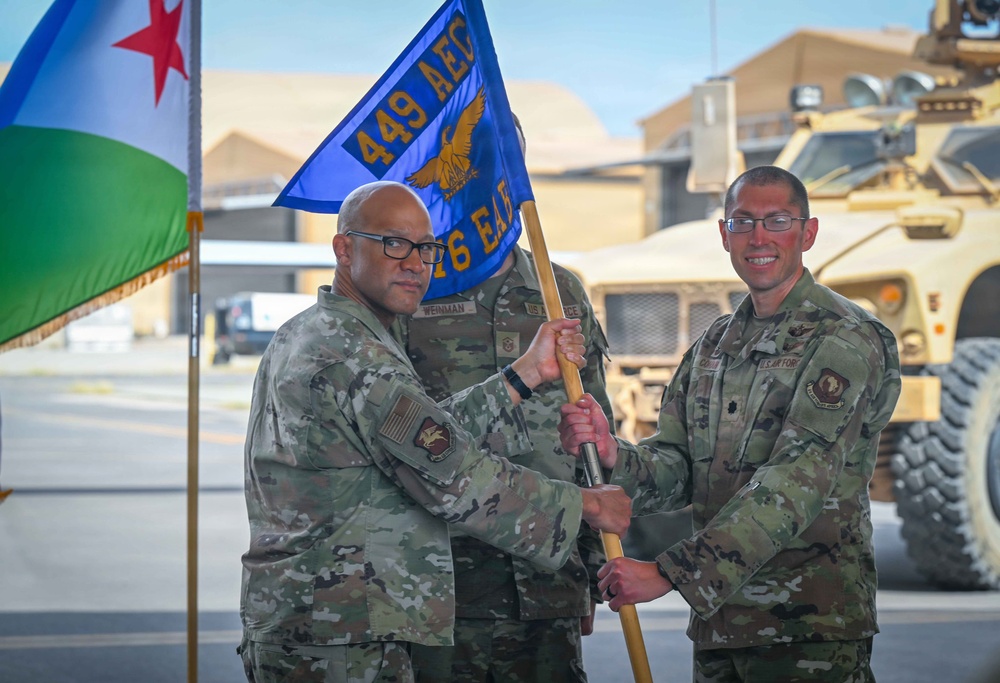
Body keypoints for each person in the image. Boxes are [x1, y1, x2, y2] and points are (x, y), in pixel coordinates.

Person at [239, 180, 632, 683]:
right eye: (393, 243)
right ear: (343, 248)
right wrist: (587, 507)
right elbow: (451, 474)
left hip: (331, 624)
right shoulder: (357, 356)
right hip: (343, 636)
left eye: (426, 248)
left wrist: (523, 376)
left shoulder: (316, 331)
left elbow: (419, 438)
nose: (415, 263)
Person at [559, 165, 902, 683]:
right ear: (724, 235)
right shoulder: (714, 346)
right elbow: (679, 465)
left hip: (806, 630)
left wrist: (671, 574)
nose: (758, 238)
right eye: (743, 223)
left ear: (807, 233)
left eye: (777, 221)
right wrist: (614, 456)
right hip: (723, 628)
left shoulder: (845, 340)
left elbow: (795, 482)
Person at [405, 116, 615, 682]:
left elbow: (592, 435)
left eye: (505, 162)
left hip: (548, 579)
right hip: (445, 585)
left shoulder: (559, 290)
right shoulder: (415, 288)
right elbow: (401, 438)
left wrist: (594, 566)